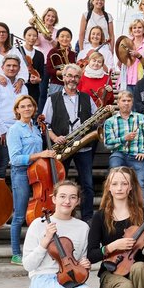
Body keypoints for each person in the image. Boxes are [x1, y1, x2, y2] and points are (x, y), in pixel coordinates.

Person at [41, 64, 98, 222]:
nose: (72, 79)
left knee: (87, 184)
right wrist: (54, 138)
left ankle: (87, 217)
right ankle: (60, 215)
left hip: (83, 146)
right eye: (69, 75)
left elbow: (96, 119)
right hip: (62, 148)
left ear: (79, 79)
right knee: (58, 184)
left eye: (76, 76)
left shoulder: (87, 98)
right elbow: (45, 125)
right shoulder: (53, 98)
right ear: (63, 77)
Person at [6, 95, 56, 264]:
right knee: (19, 215)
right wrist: (40, 154)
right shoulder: (15, 130)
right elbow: (14, 159)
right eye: (23, 106)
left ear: (34, 108)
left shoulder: (35, 128)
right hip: (21, 173)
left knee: (38, 214)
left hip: (38, 173)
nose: (27, 109)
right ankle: (15, 253)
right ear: (17, 110)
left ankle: (38, 249)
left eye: (30, 106)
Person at [103, 91, 144, 205]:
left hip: (136, 156)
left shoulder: (142, 118)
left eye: (129, 101)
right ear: (118, 103)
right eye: (123, 101)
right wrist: (123, 139)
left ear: (132, 103)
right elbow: (108, 143)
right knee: (115, 179)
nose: (126, 103)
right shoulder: (110, 121)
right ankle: (112, 210)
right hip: (119, 154)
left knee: (140, 183)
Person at [0, 55, 25, 180]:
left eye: (15, 66)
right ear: (2, 68)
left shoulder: (22, 86)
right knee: (1, 167)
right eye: (8, 65)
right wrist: (4, 131)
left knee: (19, 167)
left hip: (19, 131)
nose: (11, 68)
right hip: (2, 132)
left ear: (19, 69)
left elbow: (26, 109)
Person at [120, 20, 144, 92]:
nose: (137, 30)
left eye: (139, 27)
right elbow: (120, 64)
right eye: (134, 28)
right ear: (131, 30)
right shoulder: (126, 43)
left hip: (142, 81)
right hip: (127, 81)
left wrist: (139, 56)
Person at [18, 26, 46, 106]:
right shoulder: (17, 51)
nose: (32, 38)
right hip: (19, 87)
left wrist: (38, 79)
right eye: (29, 35)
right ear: (24, 36)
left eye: (34, 36)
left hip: (34, 89)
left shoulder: (39, 55)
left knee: (32, 111)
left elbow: (42, 74)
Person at [45, 28, 77, 96]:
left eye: (68, 37)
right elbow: (48, 69)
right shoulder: (53, 52)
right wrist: (62, 73)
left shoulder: (72, 54)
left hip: (70, 85)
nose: (65, 39)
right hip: (56, 84)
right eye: (62, 36)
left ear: (71, 39)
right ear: (57, 38)